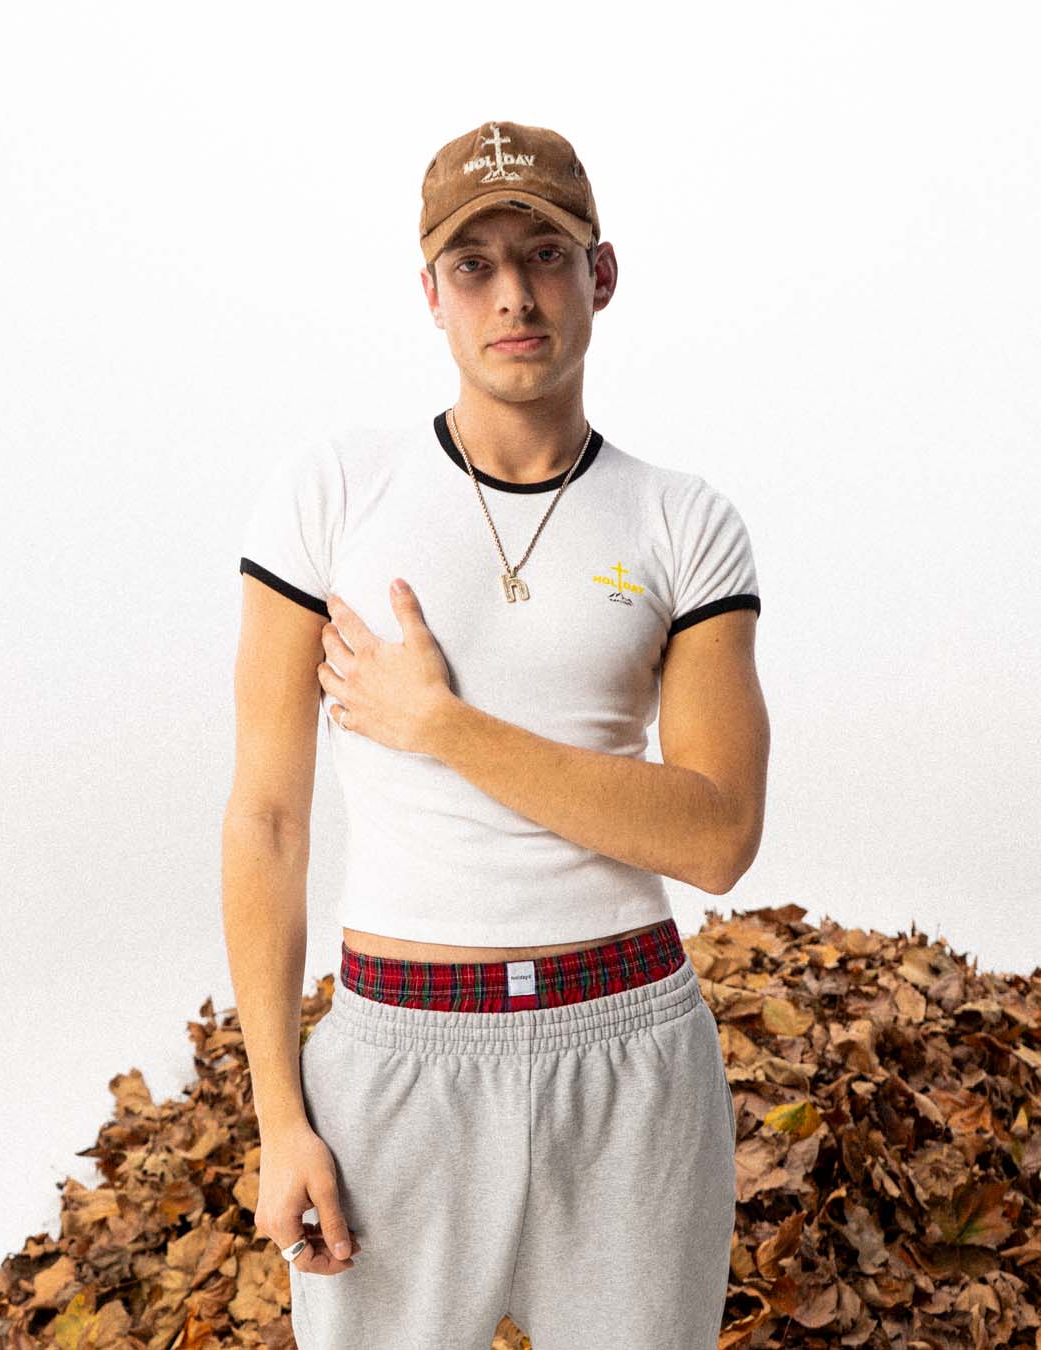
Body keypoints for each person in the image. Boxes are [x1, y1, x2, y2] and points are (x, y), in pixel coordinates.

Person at [222, 119, 770, 1350]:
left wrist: (443, 727)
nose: (513, 294)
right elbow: (267, 818)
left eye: (546, 255)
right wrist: (278, 1117)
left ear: (601, 274)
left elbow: (718, 836)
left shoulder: (683, 521)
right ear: (431, 294)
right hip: (393, 1063)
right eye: (474, 265)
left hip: (632, 1057)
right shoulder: (334, 493)